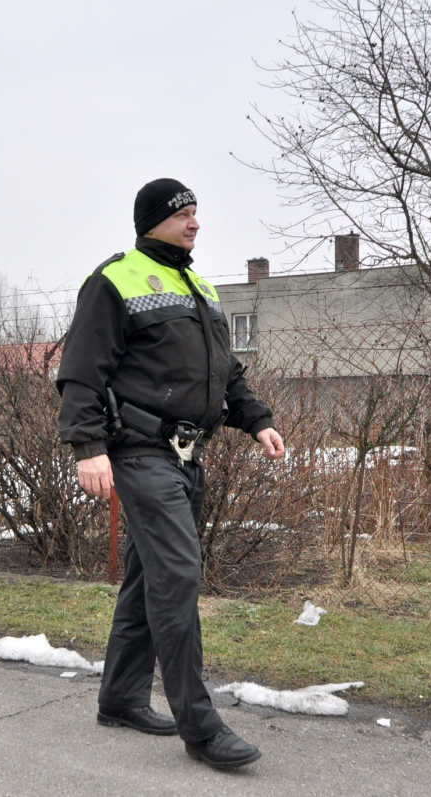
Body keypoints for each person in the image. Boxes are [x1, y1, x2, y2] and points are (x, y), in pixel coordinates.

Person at [57, 179, 285, 770]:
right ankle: (201, 727)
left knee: (148, 575)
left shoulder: (201, 287)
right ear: (154, 220)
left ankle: (122, 696)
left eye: (196, 212)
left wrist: (256, 420)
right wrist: (87, 446)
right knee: (178, 574)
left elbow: (226, 373)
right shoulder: (115, 279)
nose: (195, 222)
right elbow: (82, 368)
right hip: (139, 452)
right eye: (183, 213)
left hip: (189, 456)